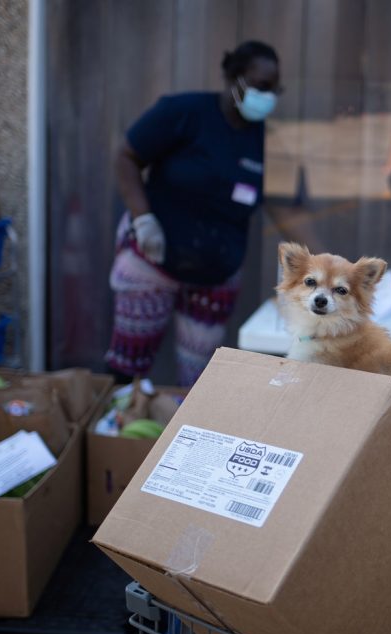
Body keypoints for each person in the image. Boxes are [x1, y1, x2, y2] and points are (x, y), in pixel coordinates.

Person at [105, 40, 282, 386]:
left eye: (275, 89)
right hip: (151, 259)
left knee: (200, 381)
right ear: (234, 78)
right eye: (262, 86)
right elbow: (125, 156)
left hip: (215, 278)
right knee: (128, 365)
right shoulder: (184, 112)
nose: (269, 96)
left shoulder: (263, 137)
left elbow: (285, 204)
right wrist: (143, 219)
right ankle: (115, 436)